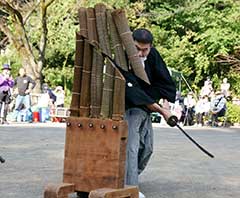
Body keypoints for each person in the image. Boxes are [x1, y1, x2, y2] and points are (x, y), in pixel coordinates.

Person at [124, 28, 176, 198]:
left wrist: (166, 106)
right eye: (137, 48)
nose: (140, 53)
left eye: (144, 49)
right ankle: (130, 187)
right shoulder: (123, 56)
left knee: (147, 148)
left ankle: (129, 175)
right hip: (129, 107)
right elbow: (132, 91)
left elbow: (165, 82)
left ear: (150, 47)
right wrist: (162, 111)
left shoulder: (153, 55)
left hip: (148, 108)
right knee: (131, 147)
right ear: (131, 44)